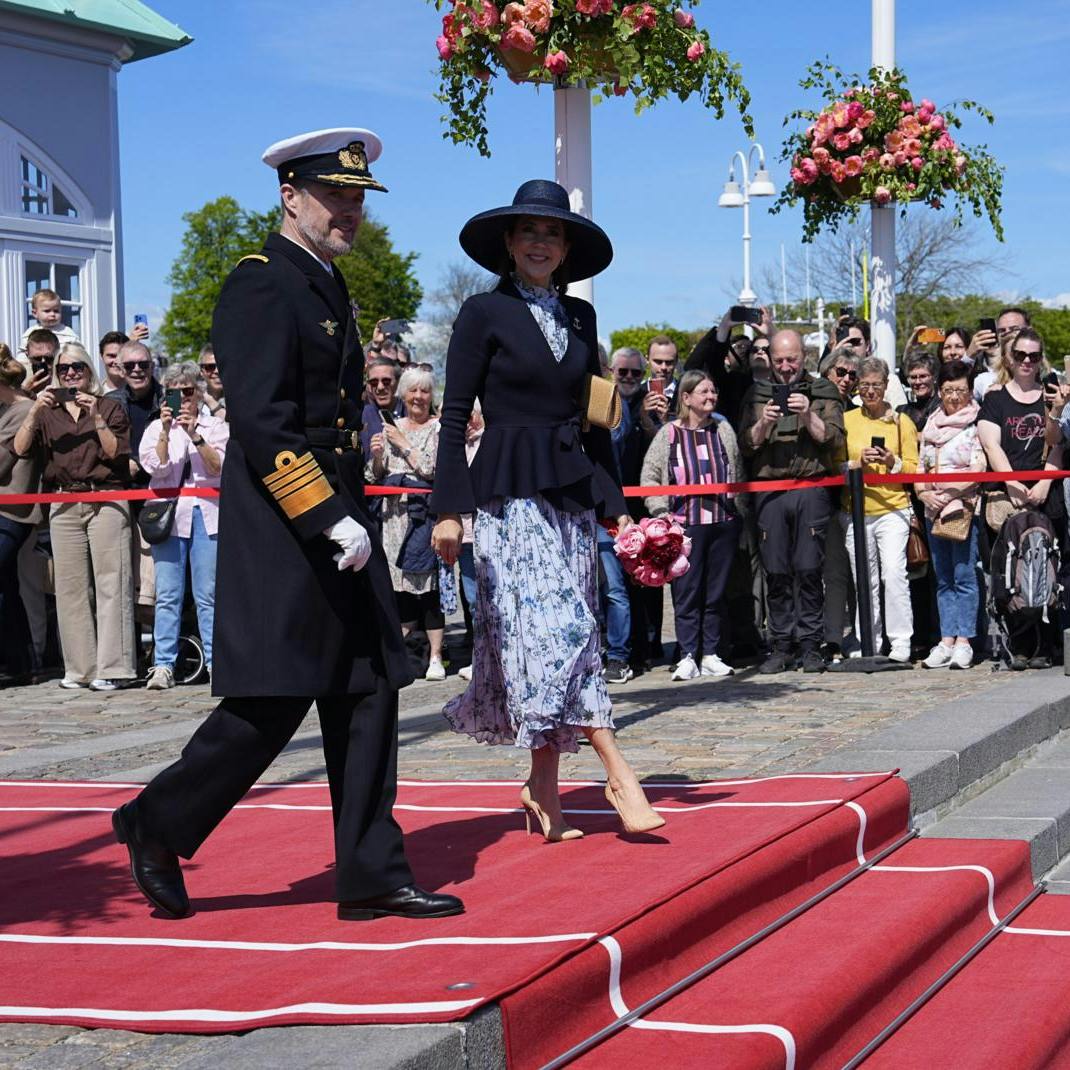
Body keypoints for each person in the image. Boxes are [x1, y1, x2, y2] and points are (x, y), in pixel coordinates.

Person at [114, 128, 461, 923]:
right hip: (287, 525)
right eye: (335, 194)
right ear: (290, 195)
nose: (349, 210)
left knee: (371, 686)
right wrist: (328, 519)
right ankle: (155, 823)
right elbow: (267, 424)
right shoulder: (262, 282)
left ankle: (371, 870)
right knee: (271, 701)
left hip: (338, 513)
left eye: (358, 197)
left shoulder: (326, 283)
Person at [430, 178, 664, 841]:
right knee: (563, 633)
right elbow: (452, 418)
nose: (540, 242)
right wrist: (448, 508)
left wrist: (620, 513)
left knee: (554, 645)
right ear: (508, 242)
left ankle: (543, 787)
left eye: (553, 232)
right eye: (529, 231)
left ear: (566, 248)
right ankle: (619, 771)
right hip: (508, 501)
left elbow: (594, 423)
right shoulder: (481, 313)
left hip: (570, 498)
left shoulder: (584, 319)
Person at [13, 342, 136, 690]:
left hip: (107, 498)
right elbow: (20, 450)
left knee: (113, 582)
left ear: (88, 371)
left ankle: (114, 669)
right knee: (69, 588)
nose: (70, 374)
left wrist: (96, 416)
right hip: (64, 502)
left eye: (77, 368)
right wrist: (35, 410)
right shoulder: (48, 412)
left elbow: (115, 454)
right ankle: (80, 668)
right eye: (63, 368)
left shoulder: (110, 406)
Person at [739, 330, 846, 674]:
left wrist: (806, 416)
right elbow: (745, 445)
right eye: (780, 360)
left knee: (809, 569)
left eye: (793, 359)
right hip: (770, 490)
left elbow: (832, 438)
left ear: (805, 356)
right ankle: (781, 644)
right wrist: (763, 424)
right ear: (769, 358)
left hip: (809, 486)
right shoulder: (756, 393)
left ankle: (811, 644)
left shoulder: (822, 390)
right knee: (776, 571)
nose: (786, 367)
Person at [641, 370, 743, 680]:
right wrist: (661, 514)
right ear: (686, 398)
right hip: (685, 527)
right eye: (704, 392)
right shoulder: (668, 434)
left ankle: (710, 652)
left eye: (713, 392)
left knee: (715, 592)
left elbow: (735, 470)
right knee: (686, 592)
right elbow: (650, 476)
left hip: (722, 522)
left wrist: (739, 514)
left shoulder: (723, 429)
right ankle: (687, 654)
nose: (711, 397)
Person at [138, 363, 229, 690]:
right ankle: (163, 664)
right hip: (170, 517)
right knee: (168, 593)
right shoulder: (155, 429)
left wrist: (195, 435)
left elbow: (219, 465)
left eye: (187, 391)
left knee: (208, 594)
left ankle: (217, 662)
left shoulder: (215, 427)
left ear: (198, 391)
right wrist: (165, 431)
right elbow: (156, 467)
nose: (181, 399)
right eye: (173, 393)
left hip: (207, 515)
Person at [978, 327, 1063, 669]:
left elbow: (1059, 442)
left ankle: (1047, 643)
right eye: (1020, 355)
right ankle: (1021, 643)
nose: (1027, 361)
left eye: (1034, 355)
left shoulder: (1050, 396)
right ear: (1009, 359)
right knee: (1011, 571)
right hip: (1008, 494)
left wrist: (1044, 481)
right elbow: (990, 443)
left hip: (1047, 490)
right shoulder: (996, 399)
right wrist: (1012, 482)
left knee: (1049, 566)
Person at [366, 364, 445, 681]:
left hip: (423, 518)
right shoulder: (390, 426)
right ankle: (401, 653)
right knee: (398, 588)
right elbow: (373, 476)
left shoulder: (438, 429)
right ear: (404, 394)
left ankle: (437, 657)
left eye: (424, 390)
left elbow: (431, 470)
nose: (418, 396)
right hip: (392, 519)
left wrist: (404, 444)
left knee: (427, 589)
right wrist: (375, 455)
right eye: (413, 390)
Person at [840, 357, 919, 662]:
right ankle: (868, 639)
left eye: (876, 385)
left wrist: (891, 462)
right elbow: (835, 463)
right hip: (856, 511)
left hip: (892, 508)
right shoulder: (847, 421)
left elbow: (913, 470)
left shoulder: (902, 422)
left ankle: (900, 642)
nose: (871, 391)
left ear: (887, 386)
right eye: (865, 385)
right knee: (864, 579)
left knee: (893, 573)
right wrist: (854, 464)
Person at [915, 361, 986, 669]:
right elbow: (921, 467)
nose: (953, 397)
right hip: (933, 508)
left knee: (964, 574)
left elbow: (978, 468)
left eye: (960, 390)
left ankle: (965, 640)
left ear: (970, 392)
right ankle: (946, 638)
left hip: (963, 507)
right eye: (947, 390)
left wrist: (948, 494)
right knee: (943, 577)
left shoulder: (975, 424)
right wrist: (923, 493)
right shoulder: (931, 424)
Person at [0, 349, 44, 684]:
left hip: (13, 511)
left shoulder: (22, 411)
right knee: (5, 587)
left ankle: (19, 662)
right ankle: (19, 663)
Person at [685, 306, 775, 430]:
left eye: (766, 350)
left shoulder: (783, 382)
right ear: (748, 357)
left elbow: (788, 356)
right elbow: (711, 364)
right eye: (755, 350)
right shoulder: (734, 382)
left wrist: (771, 332)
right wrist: (724, 327)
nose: (760, 352)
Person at [18, 288, 78, 361]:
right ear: (35, 313)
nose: (52, 314)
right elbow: (21, 356)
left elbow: (79, 354)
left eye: (56, 311)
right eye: (47, 311)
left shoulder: (68, 333)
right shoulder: (29, 333)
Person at [899, 353, 941, 430]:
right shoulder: (903, 411)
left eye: (923, 376)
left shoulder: (942, 408)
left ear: (934, 377)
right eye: (913, 377)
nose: (918, 382)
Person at [22, 329, 59, 398]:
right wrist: (26, 391)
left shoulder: (65, 376)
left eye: (48, 358)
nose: (43, 362)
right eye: (37, 358)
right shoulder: (18, 378)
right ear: (27, 355)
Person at [197, 344, 226, 418]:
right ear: (201, 371)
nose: (217, 371)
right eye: (210, 367)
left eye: (222, 366)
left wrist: (210, 401)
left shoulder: (238, 399)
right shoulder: (193, 399)